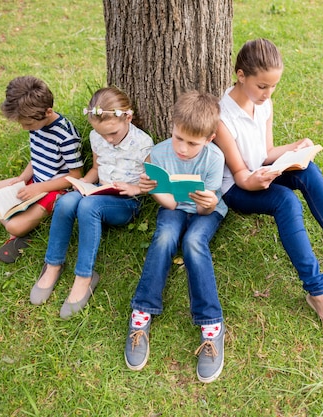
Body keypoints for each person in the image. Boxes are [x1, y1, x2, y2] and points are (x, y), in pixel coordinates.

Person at [214, 39, 323, 337]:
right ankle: (318, 293)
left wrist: (295, 149)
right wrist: (258, 180)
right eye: (262, 86)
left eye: (273, 86)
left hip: (261, 171)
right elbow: (240, 174)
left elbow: (265, 152)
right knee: (286, 201)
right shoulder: (222, 118)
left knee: (308, 170)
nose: (268, 93)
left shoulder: (263, 104)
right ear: (241, 75)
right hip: (238, 188)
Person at [125, 91, 227, 383]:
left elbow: (207, 204)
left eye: (192, 143)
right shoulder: (159, 153)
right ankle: (141, 313)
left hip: (206, 211)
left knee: (194, 243)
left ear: (209, 138)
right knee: (164, 237)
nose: (182, 149)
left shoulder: (214, 157)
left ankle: (211, 325)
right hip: (174, 207)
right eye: (178, 138)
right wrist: (152, 188)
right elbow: (169, 204)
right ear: (172, 127)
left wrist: (206, 204)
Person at [29, 87, 154, 319]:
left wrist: (135, 188)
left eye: (113, 134)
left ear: (128, 117)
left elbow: (150, 184)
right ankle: (53, 264)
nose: (108, 139)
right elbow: (96, 170)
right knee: (67, 202)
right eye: (102, 134)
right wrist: (82, 185)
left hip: (125, 202)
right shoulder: (97, 136)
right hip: (98, 190)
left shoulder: (144, 143)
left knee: (88, 206)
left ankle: (84, 277)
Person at [0, 76, 84, 263]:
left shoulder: (66, 136)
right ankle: (20, 217)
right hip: (35, 182)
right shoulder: (36, 124)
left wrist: (40, 188)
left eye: (27, 125)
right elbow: (37, 156)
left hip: (55, 191)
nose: (24, 128)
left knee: (14, 228)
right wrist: (22, 178)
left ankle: (21, 229)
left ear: (48, 111)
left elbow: (76, 176)